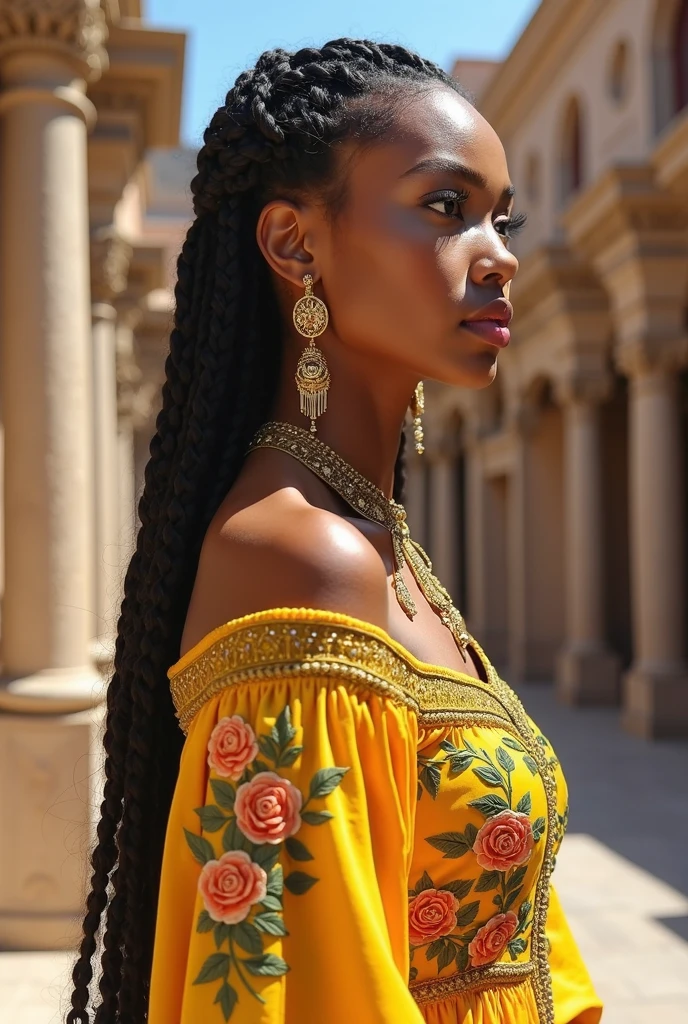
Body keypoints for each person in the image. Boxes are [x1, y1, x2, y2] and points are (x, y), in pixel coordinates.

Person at [66, 38, 602, 1024]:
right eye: (447, 208)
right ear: (294, 243)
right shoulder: (298, 556)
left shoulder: (376, 540)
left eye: (502, 215)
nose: (501, 253)